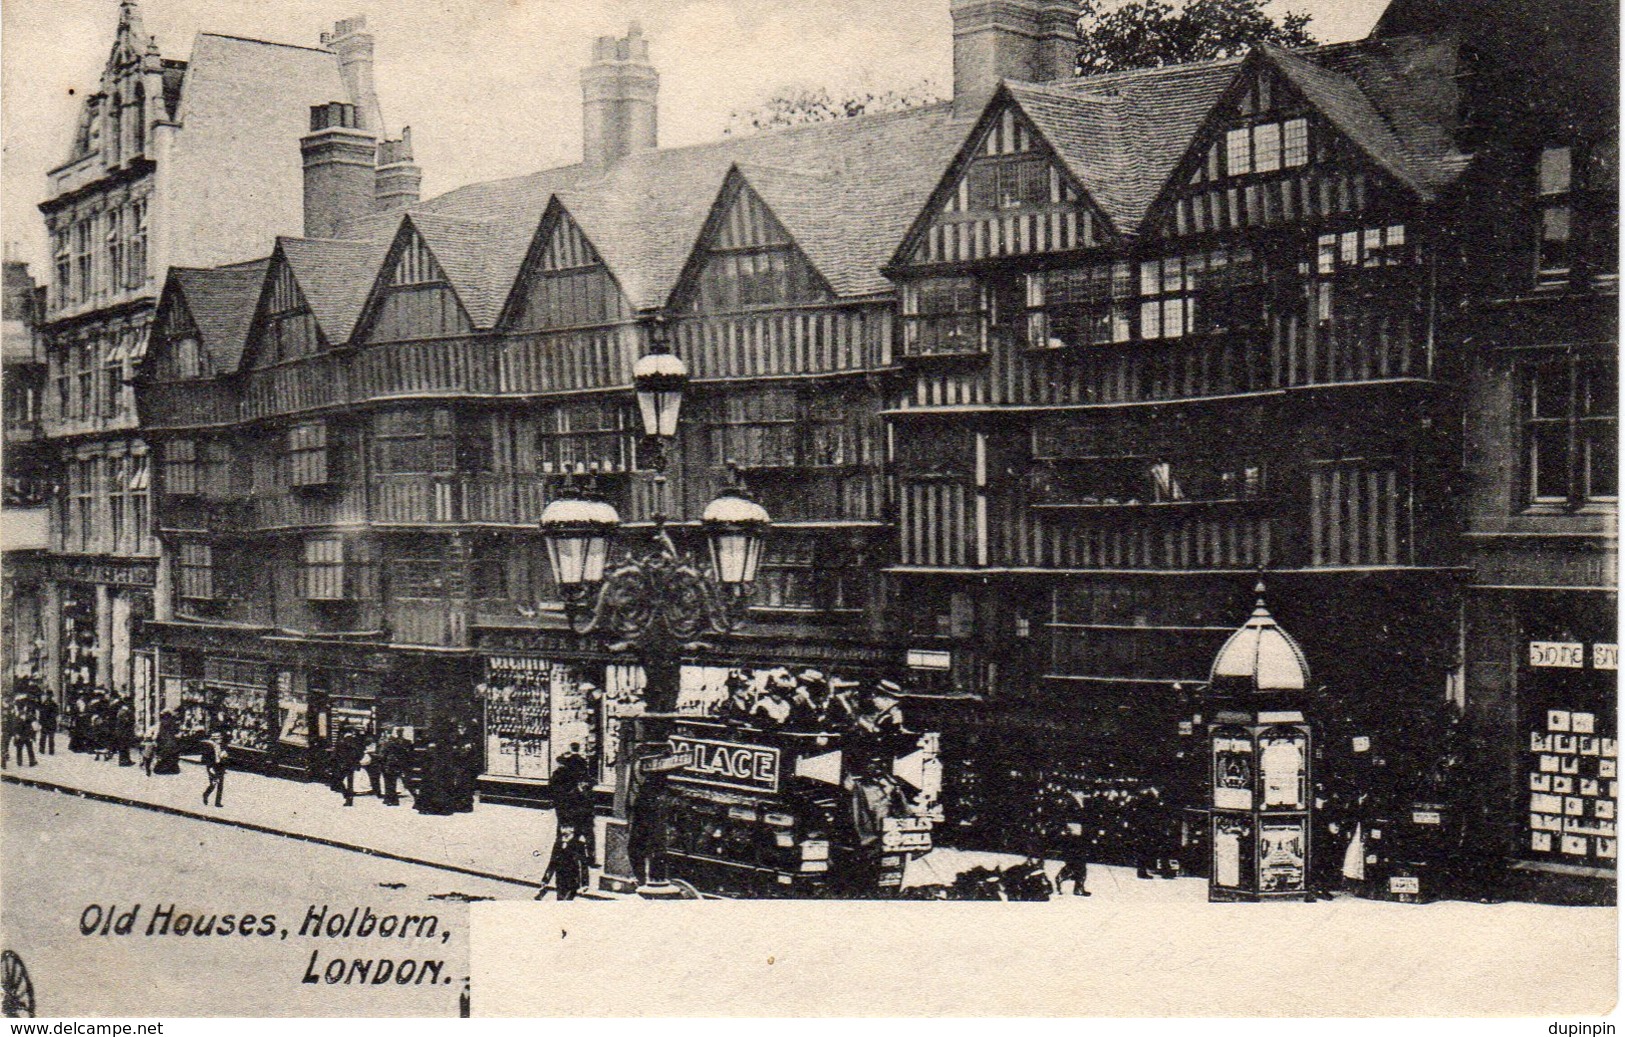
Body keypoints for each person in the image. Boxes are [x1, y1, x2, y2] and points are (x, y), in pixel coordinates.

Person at [331, 728, 364, 806]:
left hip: (343, 764)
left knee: (338, 779)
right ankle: (349, 799)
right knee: (350, 783)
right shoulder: (356, 742)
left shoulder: (342, 741)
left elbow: (336, 753)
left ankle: (347, 796)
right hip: (352, 764)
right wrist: (356, 761)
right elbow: (360, 753)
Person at [378, 728, 409, 806]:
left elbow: (383, 756)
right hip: (395, 765)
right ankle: (391, 799)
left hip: (389, 765)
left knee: (388, 783)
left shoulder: (388, 745)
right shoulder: (398, 745)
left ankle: (391, 799)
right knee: (392, 783)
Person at [200, 730, 228, 808]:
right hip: (212, 766)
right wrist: (210, 768)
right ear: (215, 739)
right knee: (213, 783)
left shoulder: (220, 746)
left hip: (219, 766)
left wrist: (224, 756)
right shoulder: (209, 747)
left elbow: (223, 756)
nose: (220, 739)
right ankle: (206, 794)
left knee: (220, 785)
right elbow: (207, 758)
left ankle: (217, 802)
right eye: (219, 738)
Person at [10, 698, 37, 767]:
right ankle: (32, 761)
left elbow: (14, 725)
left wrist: (15, 734)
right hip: (27, 734)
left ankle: (19, 762)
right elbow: (34, 726)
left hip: (19, 735)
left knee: (19, 749)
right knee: (30, 749)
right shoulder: (28, 715)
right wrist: (33, 736)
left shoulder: (15, 714)